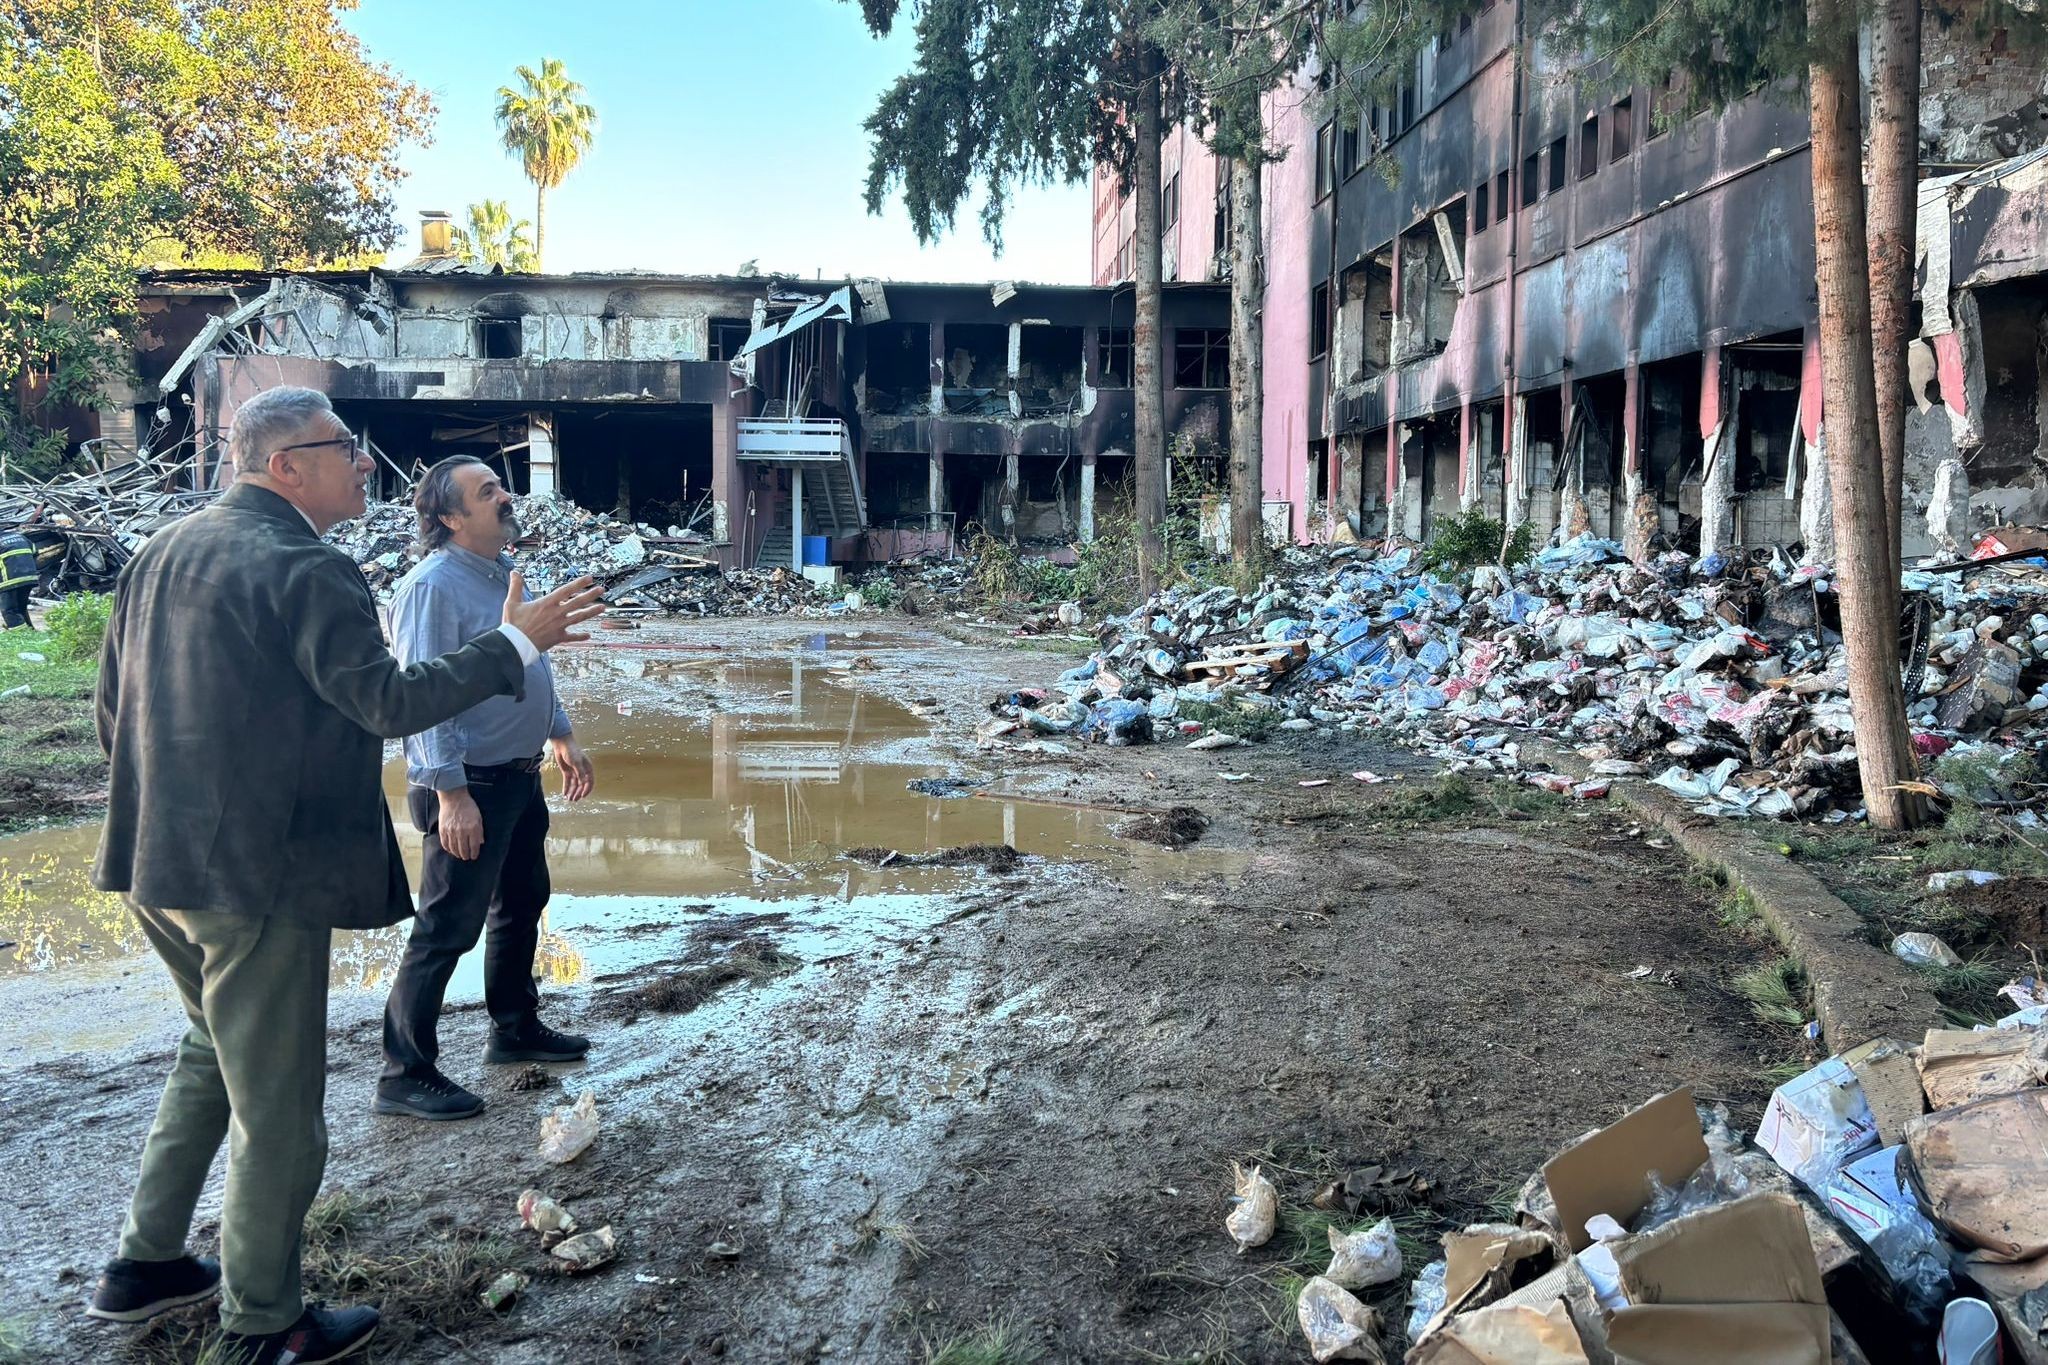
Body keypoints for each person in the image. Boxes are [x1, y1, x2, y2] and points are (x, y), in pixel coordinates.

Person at [85, 387, 603, 1364]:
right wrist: (518, 641)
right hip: (253, 880)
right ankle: (263, 1326)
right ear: (286, 465)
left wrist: (170, 812)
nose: (365, 465)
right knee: (279, 1108)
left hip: (159, 863)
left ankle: (144, 1264)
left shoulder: (164, 549)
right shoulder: (305, 564)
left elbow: (111, 709)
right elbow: (388, 700)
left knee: (210, 1052)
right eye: (344, 449)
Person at [375, 455, 597, 1121]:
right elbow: (424, 697)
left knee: (524, 900)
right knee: (447, 926)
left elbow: (528, 662)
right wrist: (449, 793)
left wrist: (559, 731)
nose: (504, 497)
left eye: (500, 486)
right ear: (448, 517)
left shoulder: (501, 573)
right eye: (486, 491)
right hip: (468, 786)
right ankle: (403, 1071)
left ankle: (514, 1026)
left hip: (517, 777)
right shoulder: (432, 588)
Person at [0, 523, 36, 629]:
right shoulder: (20, 537)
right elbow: (34, 551)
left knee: (9, 611)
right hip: (30, 577)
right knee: (21, 608)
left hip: (10, 580)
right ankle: (30, 631)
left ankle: (21, 636)